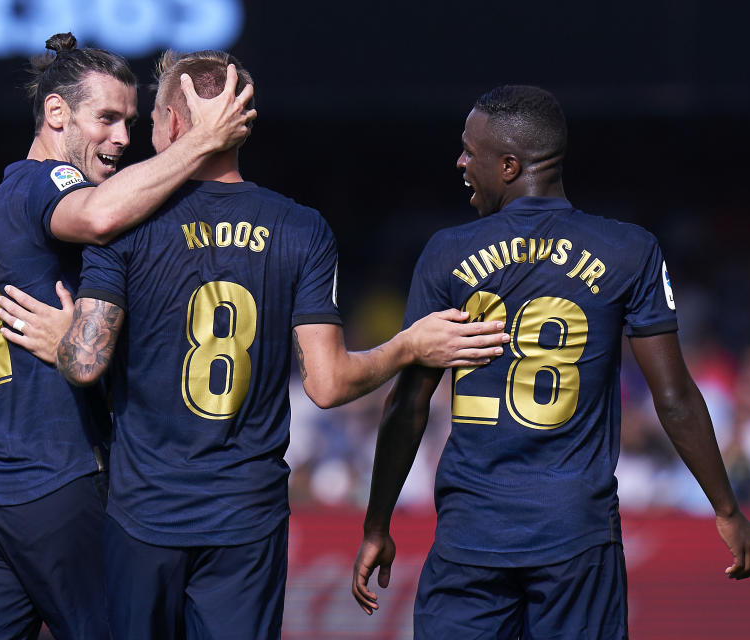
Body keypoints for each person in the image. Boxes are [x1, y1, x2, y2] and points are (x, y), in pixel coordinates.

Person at [51, 50, 508, 640]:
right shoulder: (301, 227)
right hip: (248, 518)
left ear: (176, 122)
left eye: (153, 118)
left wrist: (61, 335)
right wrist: (408, 345)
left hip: (144, 515)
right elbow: (328, 383)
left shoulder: (121, 223)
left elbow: (83, 363)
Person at [351, 85, 750, 638]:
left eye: (469, 151)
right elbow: (673, 396)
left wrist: (377, 523)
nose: (460, 162)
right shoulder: (629, 249)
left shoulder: (445, 253)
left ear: (508, 164)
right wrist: (726, 509)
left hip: (471, 535)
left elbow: (408, 406)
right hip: (576, 534)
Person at [0, 33, 255, 640]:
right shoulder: (47, 182)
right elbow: (99, 215)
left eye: (131, 121)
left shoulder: (0, 199)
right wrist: (201, 143)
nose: (122, 138)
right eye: (106, 118)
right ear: (56, 114)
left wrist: (80, 337)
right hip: (55, 480)